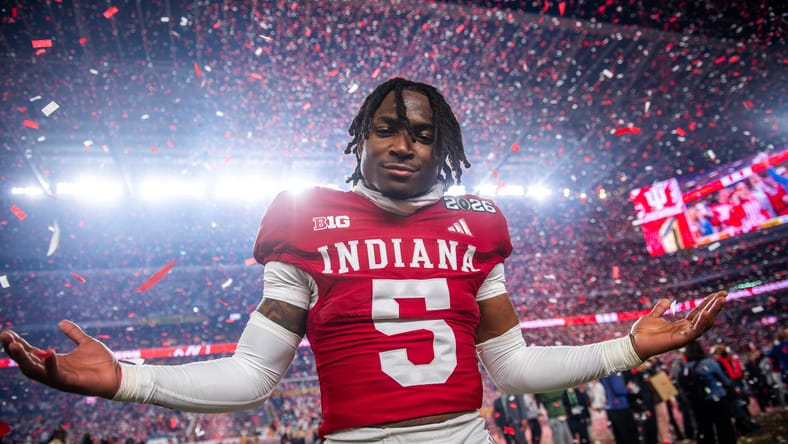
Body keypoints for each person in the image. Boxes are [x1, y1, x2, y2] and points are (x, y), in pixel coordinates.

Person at [0, 78, 728, 443]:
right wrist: (127, 380)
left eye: (422, 134)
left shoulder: (478, 222)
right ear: (361, 137)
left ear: (443, 148)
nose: (403, 145)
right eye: (386, 129)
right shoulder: (303, 217)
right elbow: (254, 376)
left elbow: (511, 369)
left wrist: (628, 347)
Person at [678, 339, 737, 444]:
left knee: (704, 430)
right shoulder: (709, 363)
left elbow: (681, 386)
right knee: (724, 427)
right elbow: (724, 380)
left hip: (698, 402)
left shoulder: (684, 368)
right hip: (716, 398)